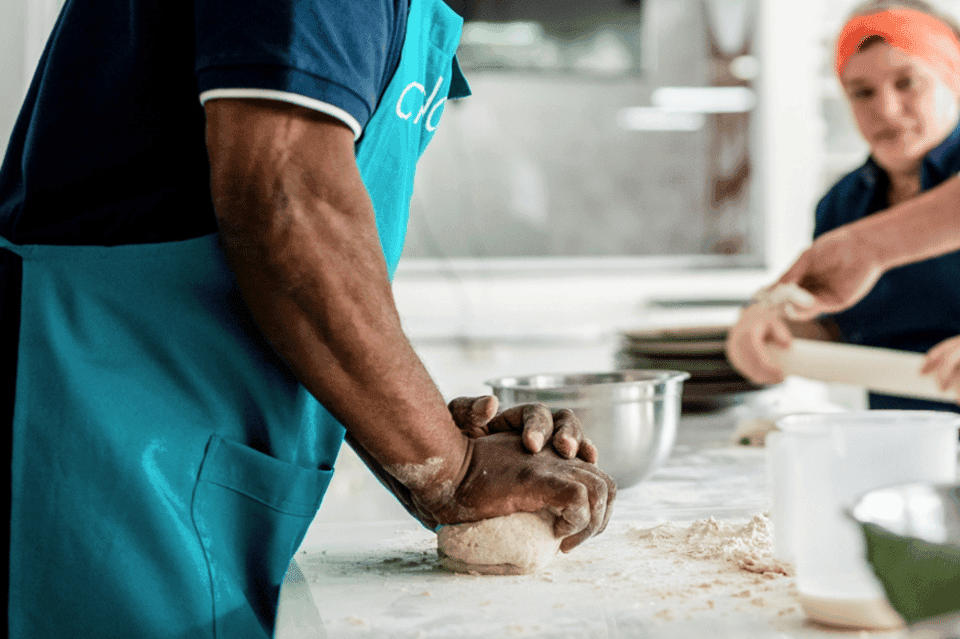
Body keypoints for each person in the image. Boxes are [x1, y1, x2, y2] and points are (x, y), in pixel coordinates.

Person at [0, 0, 615, 636]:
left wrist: (429, 433)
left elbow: (300, 260)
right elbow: (286, 204)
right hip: (102, 442)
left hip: (188, 457)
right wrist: (452, 469)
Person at [726, 0, 960, 409]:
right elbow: (837, 328)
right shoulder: (841, 204)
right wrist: (772, 323)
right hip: (892, 434)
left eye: (908, 82)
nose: (885, 109)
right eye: (862, 92)